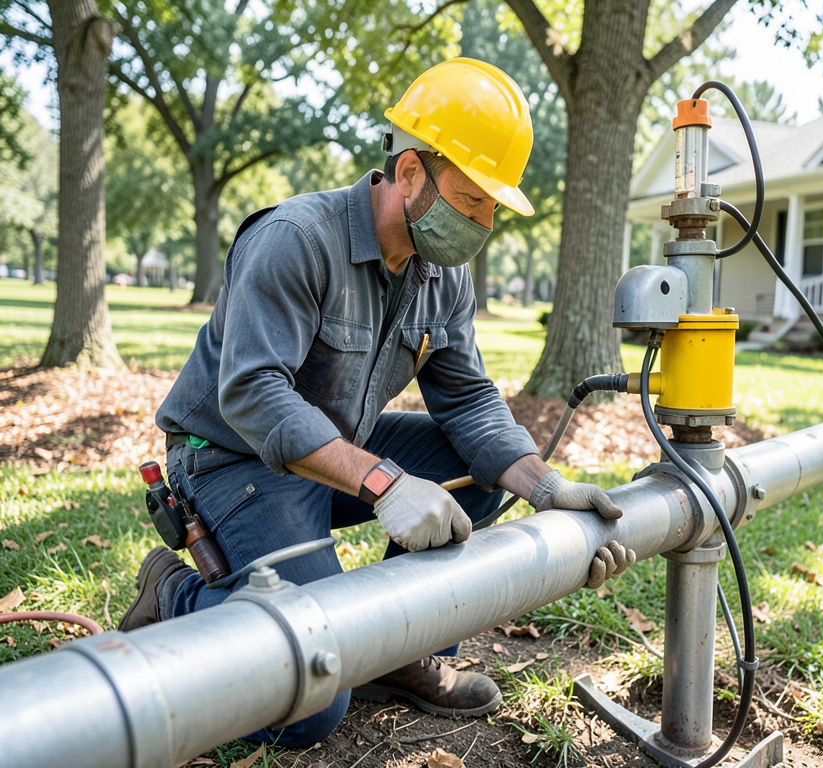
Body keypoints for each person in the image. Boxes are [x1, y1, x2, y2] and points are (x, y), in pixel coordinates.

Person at [118, 58, 634, 746]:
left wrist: (546, 487)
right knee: (307, 709)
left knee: (474, 467)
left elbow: (471, 400)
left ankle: (395, 652)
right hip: (230, 460)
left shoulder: (443, 275)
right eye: (473, 198)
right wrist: (384, 481)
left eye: (491, 207)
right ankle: (176, 593)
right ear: (412, 172)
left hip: (330, 451)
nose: (483, 222)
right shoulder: (296, 239)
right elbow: (252, 393)